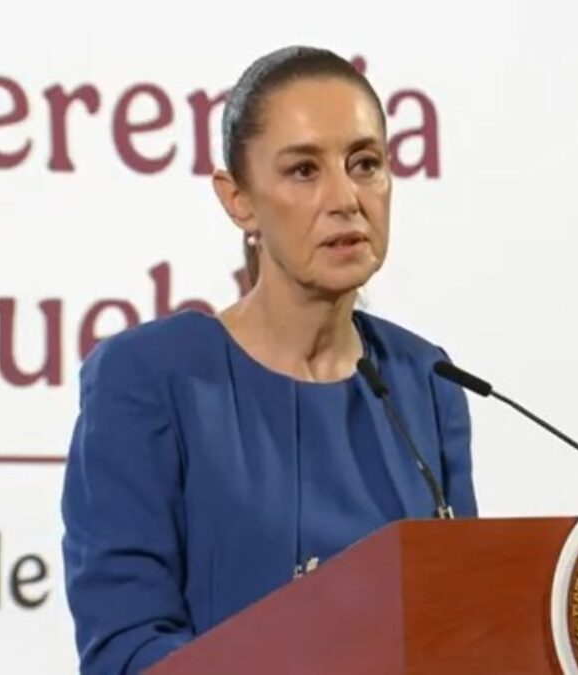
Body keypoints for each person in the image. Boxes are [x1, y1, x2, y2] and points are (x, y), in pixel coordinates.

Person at [61, 47, 477, 674]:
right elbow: (126, 647)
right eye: (304, 171)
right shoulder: (146, 378)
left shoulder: (428, 380)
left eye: (365, 163)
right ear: (239, 200)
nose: (346, 198)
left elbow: (465, 620)